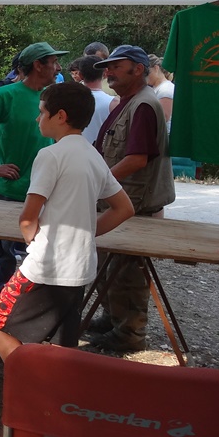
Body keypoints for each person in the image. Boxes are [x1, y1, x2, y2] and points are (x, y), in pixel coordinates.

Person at [0, 82, 134, 362]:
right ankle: (55, 386)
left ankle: (25, 380)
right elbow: (124, 208)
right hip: (80, 265)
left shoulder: (50, 155)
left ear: (60, 116)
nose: (37, 118)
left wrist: (31, 238)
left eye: (42, 112)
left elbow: (28, 217)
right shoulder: (93, 155)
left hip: (46, 265)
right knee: (61, 344)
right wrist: (88, 233)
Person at [0, 41, 67, 302]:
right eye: (53, 62)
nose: (58, 67)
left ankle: (31, 307)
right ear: (38, 65)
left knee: (41, 253)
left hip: (46, 190)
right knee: (3, 254)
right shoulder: (5, 95)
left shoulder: (53, 97)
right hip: (10, 189)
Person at [88, 46, 175, 353]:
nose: (108, 72)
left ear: (138, 69)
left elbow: (137, 159)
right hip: (123, 201)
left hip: (134, 205)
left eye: (116, 67)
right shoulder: (130, 101)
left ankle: (129, 334)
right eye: (107, 67)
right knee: (109, 267)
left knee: (127, 272)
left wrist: (100, 182)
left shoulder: (144, 105)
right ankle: (113, 319)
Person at [77, 55, 116, 145]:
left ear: (80, 75)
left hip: (75, 150)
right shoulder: (113, 103)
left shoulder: (68, 101)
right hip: (102, 151)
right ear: (105, 73)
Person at [147, 54, 174, 130]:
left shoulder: (165, 90)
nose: (145, 76)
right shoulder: (156, 88)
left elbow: (164, 117)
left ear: (156, 68)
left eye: (147, 72)